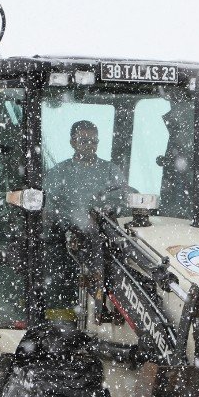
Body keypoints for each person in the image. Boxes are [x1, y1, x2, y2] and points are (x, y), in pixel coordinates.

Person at [41, 120, 129, 315]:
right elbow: (48, 213)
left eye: (93, 141)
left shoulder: (110, 171)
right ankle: (60, 313)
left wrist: (101, 215)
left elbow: (123, 201)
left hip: (104, 243)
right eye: (84, 140)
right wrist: (74, 223)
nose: (89, 145)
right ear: (72, 142)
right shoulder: (58, 173)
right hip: (67, 246)